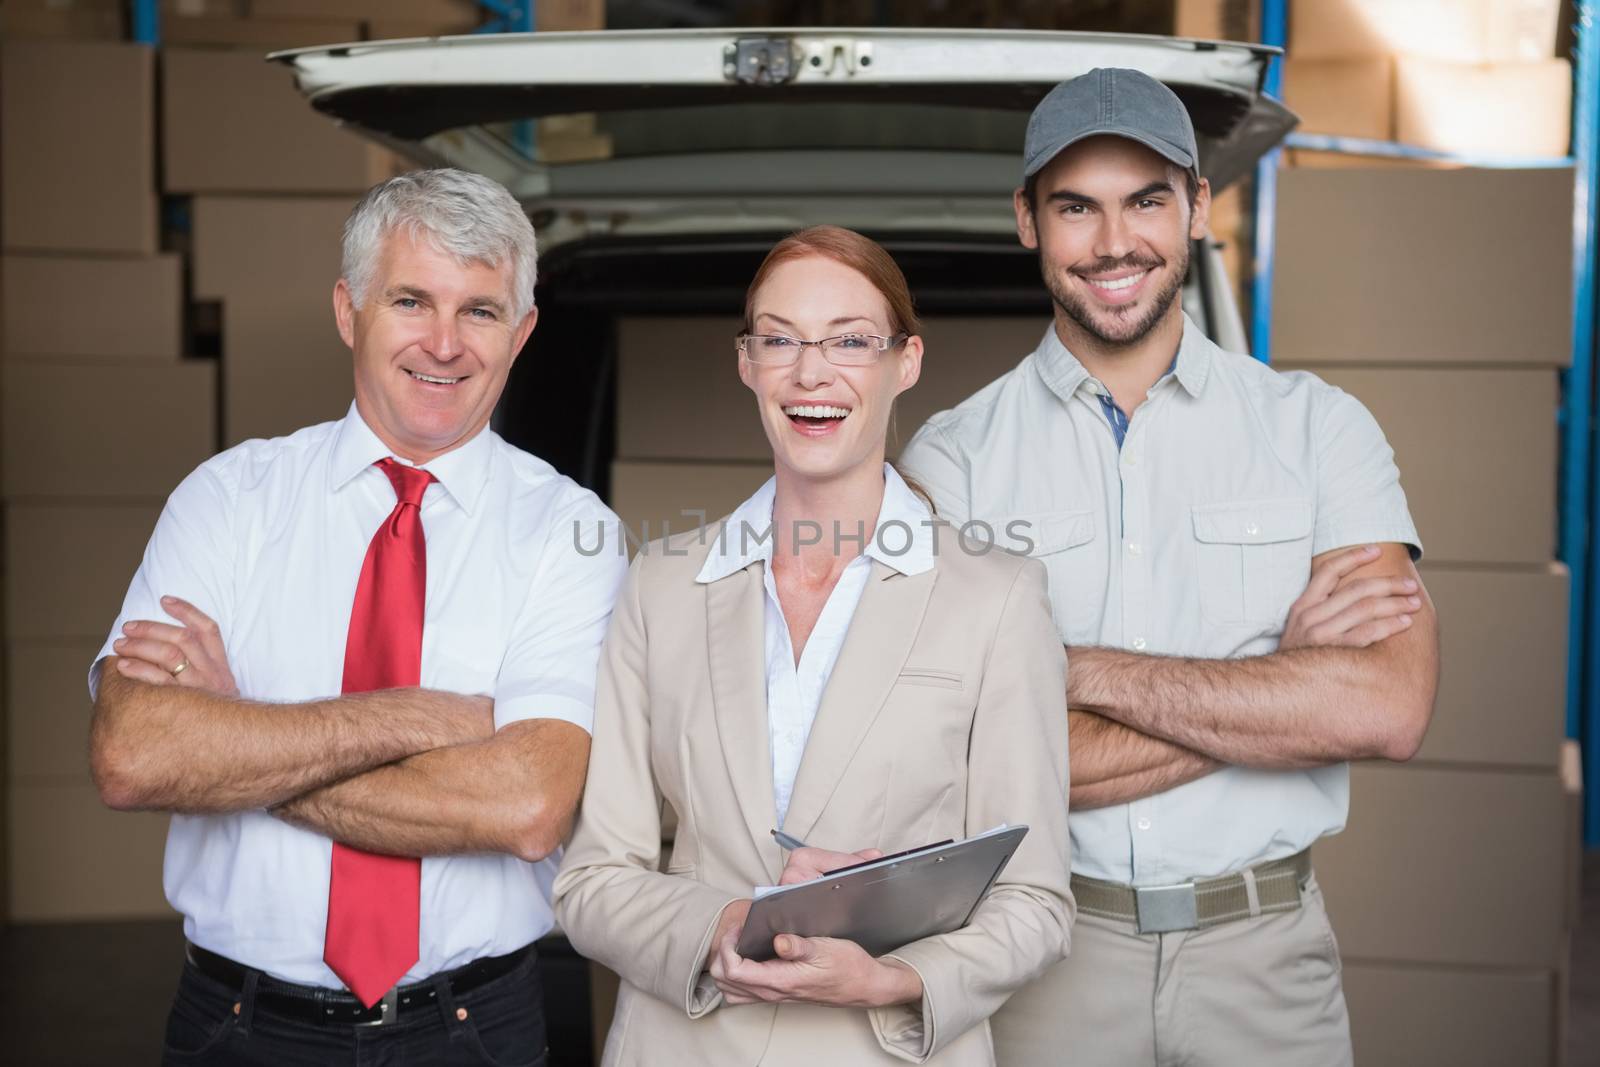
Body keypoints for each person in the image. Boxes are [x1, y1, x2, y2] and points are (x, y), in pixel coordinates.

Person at [898, 69, 1440, 1066]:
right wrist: (1278, 685)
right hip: (1040, 957)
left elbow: (1384, 708)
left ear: (1196, 204)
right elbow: (956, 759)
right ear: (1027, 219)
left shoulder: (1319, 429)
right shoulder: (951, 459)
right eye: (1076, 207)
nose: (1113, 243)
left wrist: (1065, 668)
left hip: (1265, 960)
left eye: (1145, 199)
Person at [88, 168, 627, 1065]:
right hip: (239, 1028)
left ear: (522, 332)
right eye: (411, 300)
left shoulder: (572, 531)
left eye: (481, 312)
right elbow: (133, 754)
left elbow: (528, 804)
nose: (444, 344)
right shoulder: (228, 500)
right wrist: (435, 718)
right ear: (349, 310)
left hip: (472, 1032)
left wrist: (238, 735)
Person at [551, 225, 1073, 1065]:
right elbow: (590, 880)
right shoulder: (661, 583)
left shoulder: (997, 596)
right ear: (746, 361)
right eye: (780, 339)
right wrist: (722, 923)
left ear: (906, 362)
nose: (811, 371)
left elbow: (1037, 902)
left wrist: (896, 978)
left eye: (851, 341)